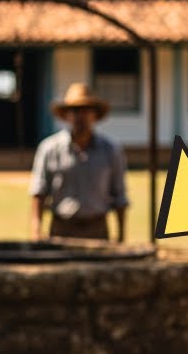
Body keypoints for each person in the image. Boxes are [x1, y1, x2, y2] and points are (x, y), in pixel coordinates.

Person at [29, 82, 129, 242]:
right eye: (75, 111)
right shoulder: (49, 149)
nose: (80, 117)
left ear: (95, 115)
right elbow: (38, 192)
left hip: (97, 228)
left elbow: (119, 196)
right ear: (66, 115)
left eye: (86, 110)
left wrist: (121, 236)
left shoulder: (110, 150)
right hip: (61, 228)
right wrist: (36, 231)